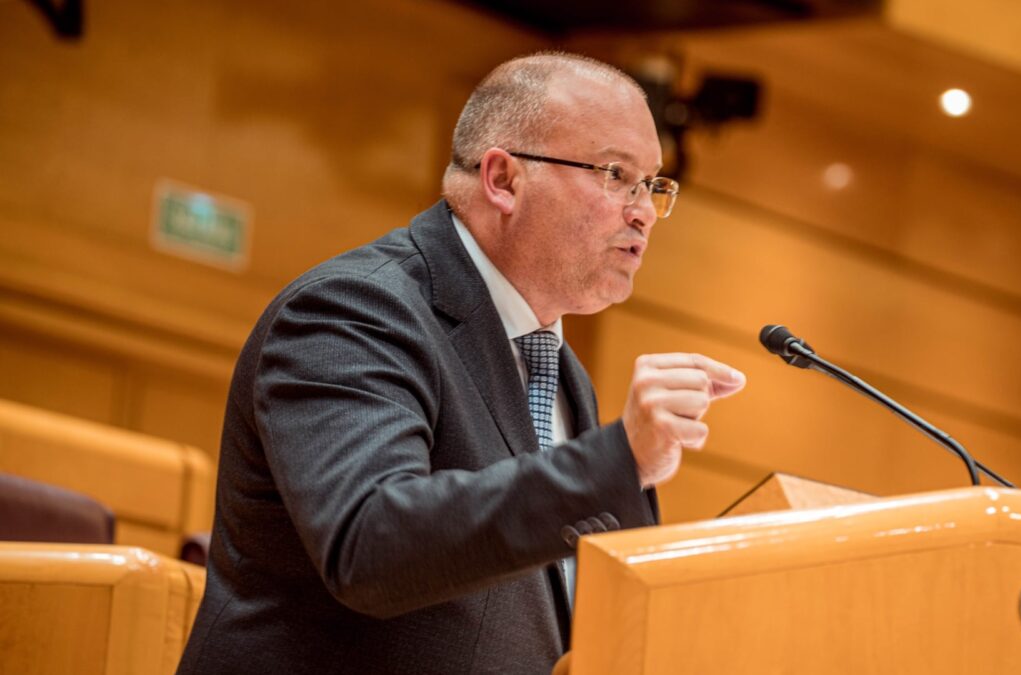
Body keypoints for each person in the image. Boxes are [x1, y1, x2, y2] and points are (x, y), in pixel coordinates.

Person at [177, 52, 746, 675]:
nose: (641, 211)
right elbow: (370, 547)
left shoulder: (560, 372)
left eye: (652, 185)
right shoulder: (354, 311)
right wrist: (619, 458)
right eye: (615, 175)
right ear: (502, 179)